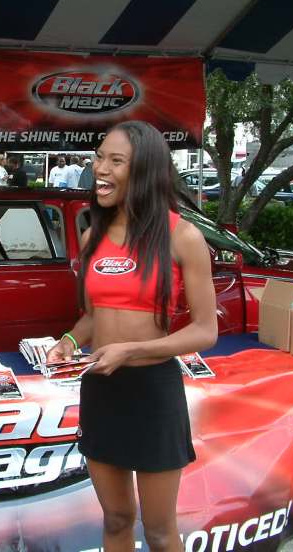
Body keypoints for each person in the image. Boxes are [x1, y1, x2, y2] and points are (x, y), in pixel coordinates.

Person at [47, 121, 217, 552]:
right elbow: (92, 316)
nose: (100, 168)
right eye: (99, 157)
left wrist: (133, 350)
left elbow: (205, 330)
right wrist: (68, 341)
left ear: (143, 171)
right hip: (102, 389)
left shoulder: (183, 236)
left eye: (115, 161)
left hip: (153, 392)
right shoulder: (92, 236)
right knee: (117, 517)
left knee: (159, 531)